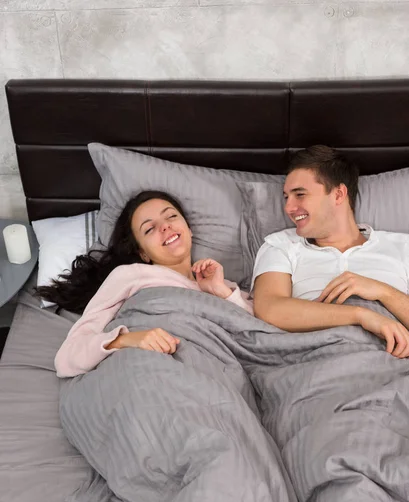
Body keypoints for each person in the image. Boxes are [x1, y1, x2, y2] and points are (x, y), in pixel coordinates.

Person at [38, 191, 252, 378]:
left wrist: (221, 291)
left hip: (216, 375)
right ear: (143, 253)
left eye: (171, 216)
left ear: (189, 228)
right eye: (149, 229)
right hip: (149, 371)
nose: (165, 226)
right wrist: (127, 339)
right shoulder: (131, 275)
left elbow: (260, 336)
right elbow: (68, 357)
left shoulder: (220, 282)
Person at [252, 145, 409, 358]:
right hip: (318, 361)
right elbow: (269, 308)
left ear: (338, 194)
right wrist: (360, 315)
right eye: (286, 197)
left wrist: (383, 292)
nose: (288, 208)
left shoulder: (402, 247)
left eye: (300, 194)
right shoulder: (280, 245)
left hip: (391, 364)